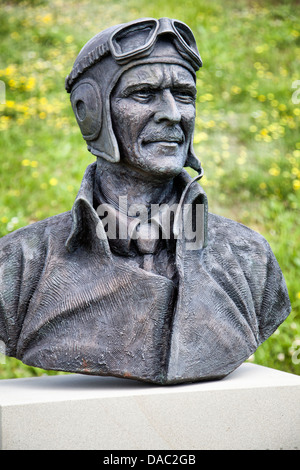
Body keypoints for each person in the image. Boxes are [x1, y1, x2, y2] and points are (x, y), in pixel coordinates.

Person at [0, 18, 291, 384]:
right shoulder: (20, 267)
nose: (172, 113)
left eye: (184, 95)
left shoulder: (250, 258)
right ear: (91, 112)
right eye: (144, 94)